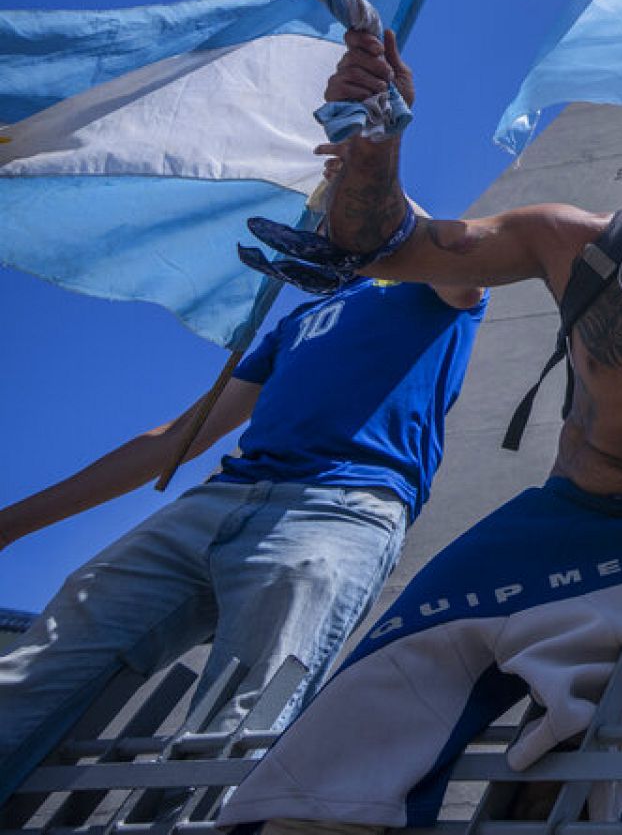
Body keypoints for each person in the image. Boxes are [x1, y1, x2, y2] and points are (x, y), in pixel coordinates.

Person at [217, 35, 622, 832]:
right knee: (362, 707)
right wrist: (375, 144)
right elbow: (393, 244)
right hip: (554, 516)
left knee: (571, 767)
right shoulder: (572, 241)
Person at [0, 272, 487, 799]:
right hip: (219, 498)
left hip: (335, 507)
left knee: (236, 729)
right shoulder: (298, 320)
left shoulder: (433, 281)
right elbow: (176, 437)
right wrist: (11, 525)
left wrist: (370, 198)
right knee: (46, 654)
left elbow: (463, 264)